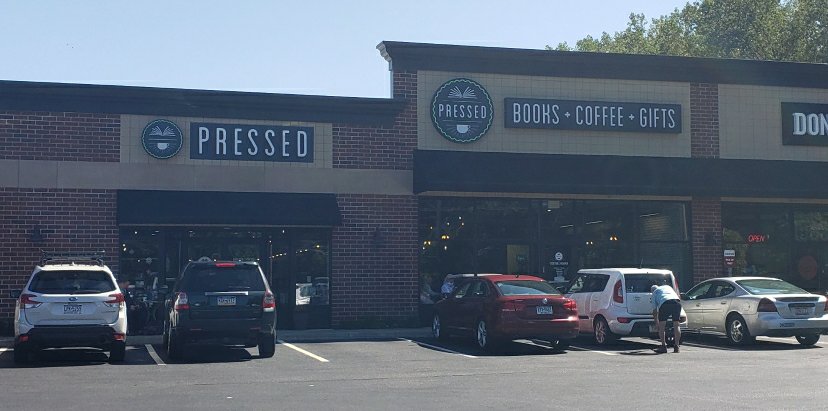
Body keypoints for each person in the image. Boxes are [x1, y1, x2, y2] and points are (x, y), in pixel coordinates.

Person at [651, 284, 682, 353]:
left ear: (652, 291)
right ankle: (676, 346)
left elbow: (655, 311)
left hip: (665, 303)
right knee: (676, 325)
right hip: (677, 302)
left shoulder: (654, 293)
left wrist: (657, 323)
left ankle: (663, 346)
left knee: (662, 326)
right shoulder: (667, 287)